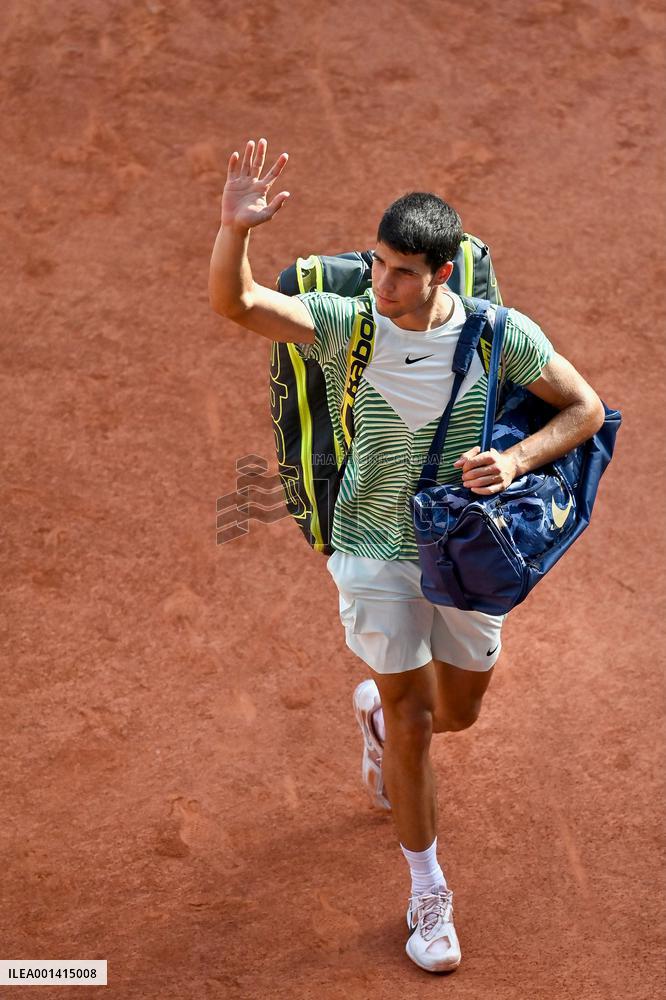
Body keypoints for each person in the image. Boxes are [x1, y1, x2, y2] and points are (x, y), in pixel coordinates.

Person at [208, 138, 605, 974]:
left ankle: (377, 722)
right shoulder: (351, 325)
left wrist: (516, 460)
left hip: (461, 554)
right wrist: (235, 227)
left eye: (401, 274)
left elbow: (585, 409)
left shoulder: (499, 335)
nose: (381, 285)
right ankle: (429, 895)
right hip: (371, 548)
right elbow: (238, 304)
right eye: (378, 265)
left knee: (456, 713)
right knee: (418, 722)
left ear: (441, 275)